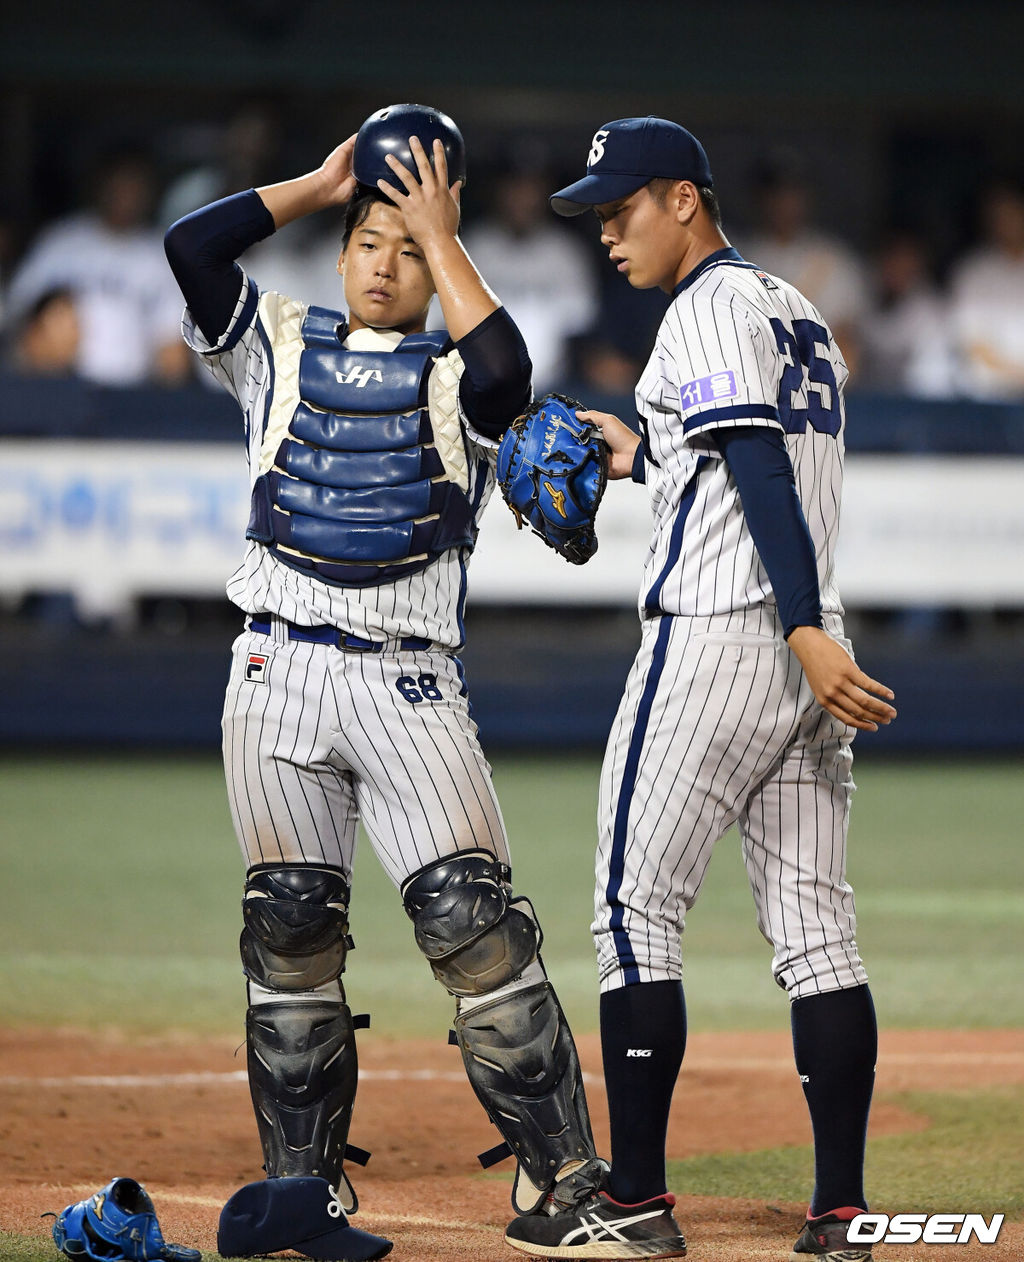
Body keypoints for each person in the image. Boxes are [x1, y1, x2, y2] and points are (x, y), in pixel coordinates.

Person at [164, 104, 604, 1260]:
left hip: (406, 677)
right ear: (340, 244)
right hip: (274, 663)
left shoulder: (461, 372)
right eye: (370, 239)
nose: (384, 263)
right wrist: (320, 184)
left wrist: (439, 231)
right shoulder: (278, 336)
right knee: (289, 930)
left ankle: (564, 1181)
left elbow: (510, 382)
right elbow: (193, 251)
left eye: (406, 248)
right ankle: (304, 1190)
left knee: (474, 924)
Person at [505, 117, 897, 1262]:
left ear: (683, 197)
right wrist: (651, 451)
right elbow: (739, 454)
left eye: (620, 208)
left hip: (729, 637)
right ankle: (839, 1212)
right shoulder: (793, 307)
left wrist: (799, 624)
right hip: (798, 651)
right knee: (818, 931)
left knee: (634, 913)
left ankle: (632, 1198)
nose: (606, 232)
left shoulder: (707, 308)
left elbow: (763, 468)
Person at [7, 146, 191, 386]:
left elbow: (173, 357)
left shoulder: (161, 255)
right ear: (100, 185)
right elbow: (20, 317)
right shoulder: (60, 241)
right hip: (54, 387)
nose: (126, 193)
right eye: (119, 183)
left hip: (127, 397)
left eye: (135, 185)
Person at [462, 157, 598, 392]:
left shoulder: (567, 252)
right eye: (514, 187)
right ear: (497, 191)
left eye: (532, 187)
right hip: (478, 389)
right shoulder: (470, 247)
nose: (523, 198)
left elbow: (581, 328)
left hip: (551, 391)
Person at [740, 152, 870, 380]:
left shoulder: (835, 260)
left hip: (821, 395)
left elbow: (850, 349)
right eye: (776, 193)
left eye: (793, 192)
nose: (785, 202)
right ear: (760, 198)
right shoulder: (739, 259)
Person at [948, 178, 1024, 400]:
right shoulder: (972, 272)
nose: (1007, 222)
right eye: (999, 216)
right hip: (990, 400)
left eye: (1013, 213)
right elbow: (973, 345)